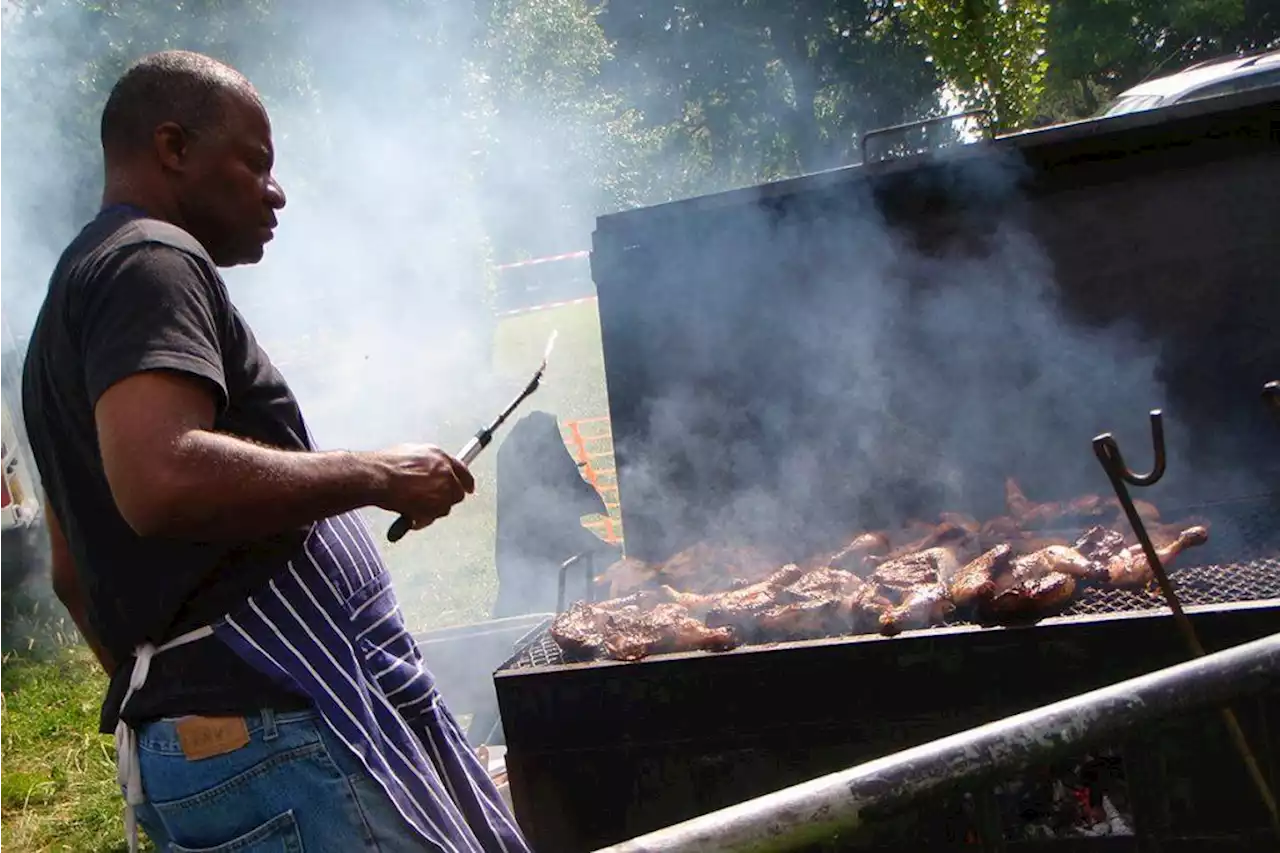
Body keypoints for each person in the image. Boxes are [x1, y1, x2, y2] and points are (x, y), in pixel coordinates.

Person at [21, 50, 531, 853]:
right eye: (253, 162)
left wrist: (181, 708)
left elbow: (71, 570)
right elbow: (160, 476)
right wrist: (376, 474)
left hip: (226, 743)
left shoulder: (68, 304)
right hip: (280, 735)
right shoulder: (151, 260)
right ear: (173, 147)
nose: (276, 190)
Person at [491, 409, 620, 619]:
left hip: (542, 553)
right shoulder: (526, 452)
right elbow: (550, 532)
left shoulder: (528, 441)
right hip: (535, 582)